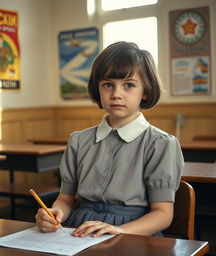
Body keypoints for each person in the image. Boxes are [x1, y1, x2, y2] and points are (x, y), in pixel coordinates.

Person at [35, 41, 184, 238]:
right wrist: (56, 213)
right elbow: (66, 199)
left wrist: (119, 230)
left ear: (145, 91)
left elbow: (163, 215)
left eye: (129, 85)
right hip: (79, 229)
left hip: (133, 233)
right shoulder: (78, 141)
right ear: (98, 89)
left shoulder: (161, 144)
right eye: (107, 85)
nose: (116, 94)